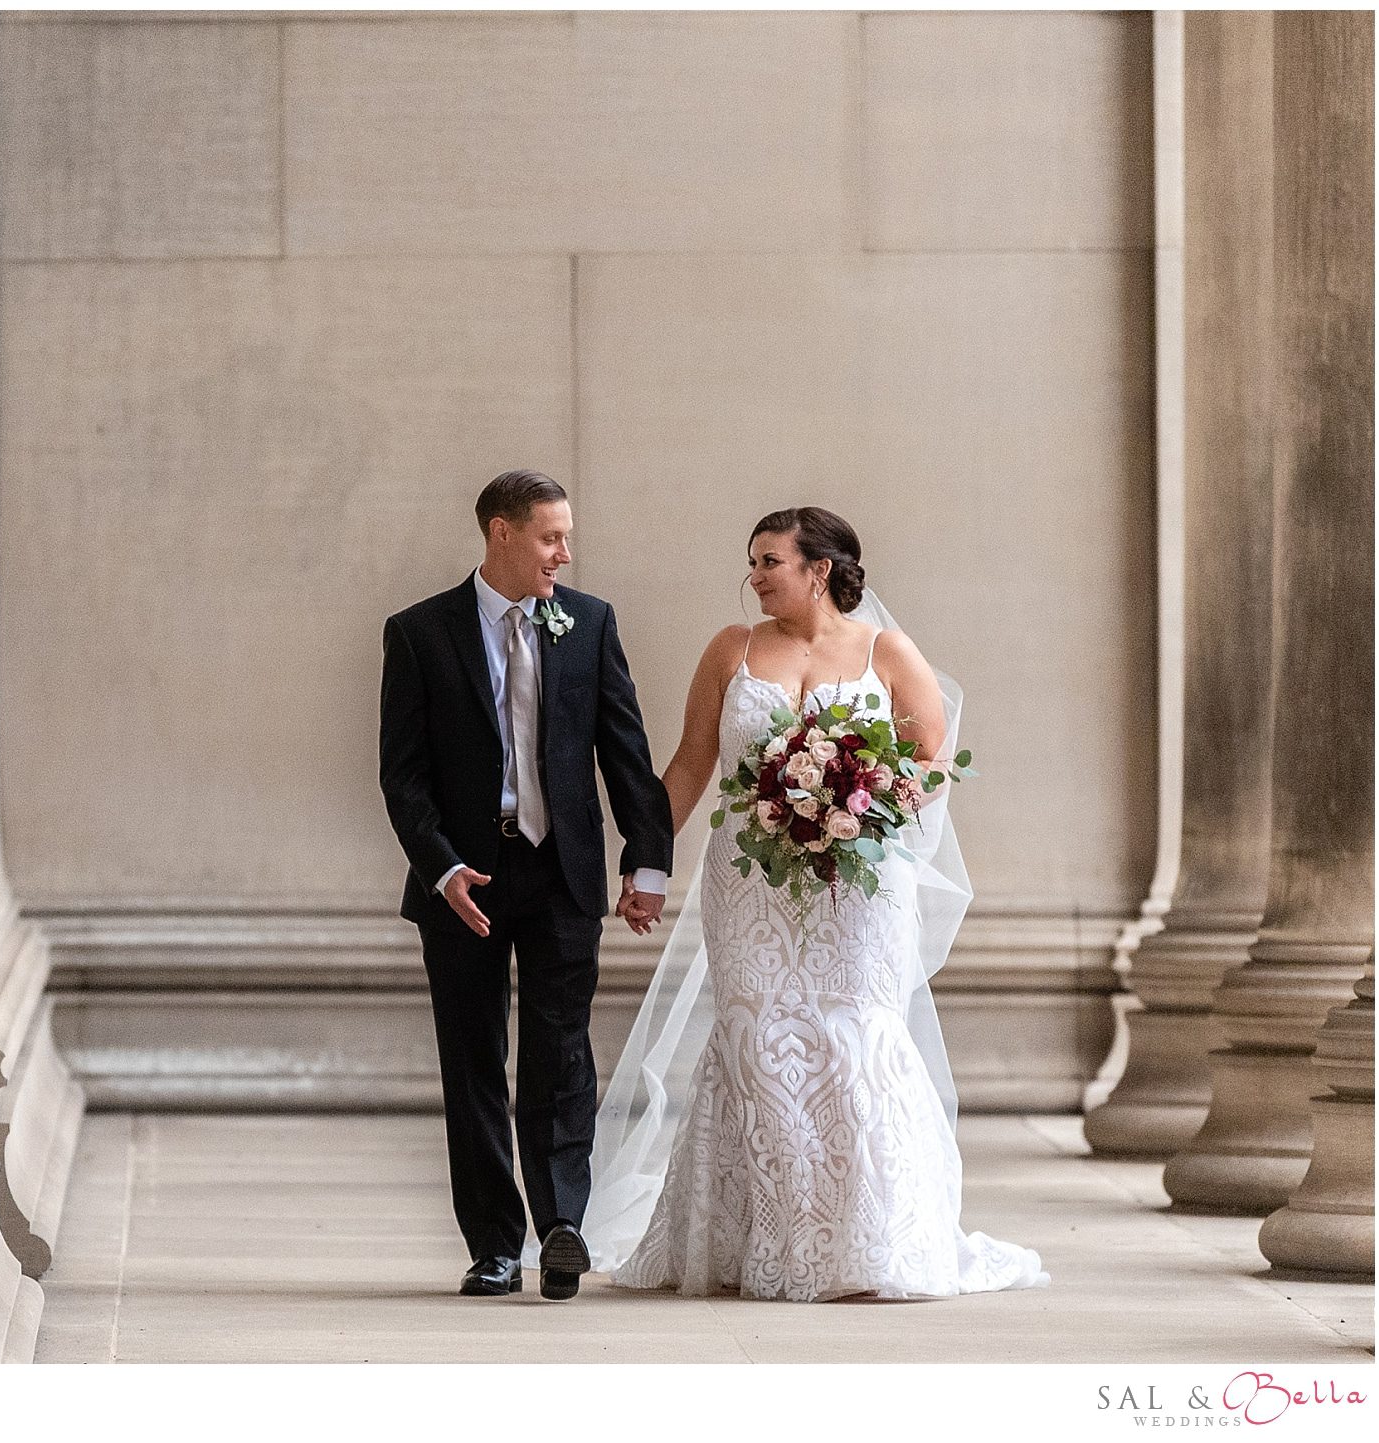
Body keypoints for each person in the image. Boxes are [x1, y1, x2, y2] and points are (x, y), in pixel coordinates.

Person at [584, 506, 1049, 1301]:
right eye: (753, 562)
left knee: (856, 1031)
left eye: (771, 561)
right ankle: (757, 1239)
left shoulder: (886, 652)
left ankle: (869, 1242)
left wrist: (869, 799)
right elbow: (693, 762)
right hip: (750, 883)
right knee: (756, 1033)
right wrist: (646, 863)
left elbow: (934, 759)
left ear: (820, 569)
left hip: (857, 884)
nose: (756, 576)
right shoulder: (730, 650)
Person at [379, 469, 675, 1301]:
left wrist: (644, 863)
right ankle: (494, 1244)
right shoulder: (418, 633)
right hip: (461, 883)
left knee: (560, 1053)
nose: (564, 552)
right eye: (550, 536)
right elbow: (403, 777)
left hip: (562, 872)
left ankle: (560, 1228)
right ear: (500, 533)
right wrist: (439, 868)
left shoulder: (588, 623)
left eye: (567, 536)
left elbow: (625, 751)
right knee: (472, 1059)